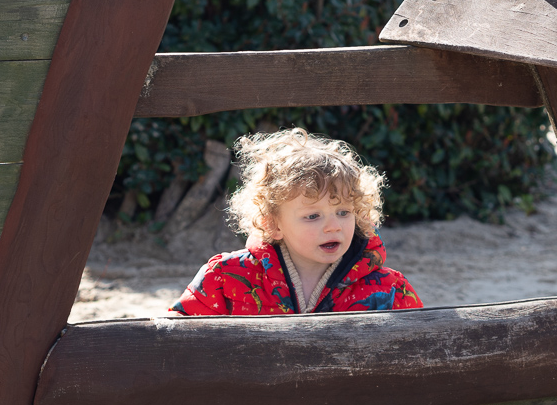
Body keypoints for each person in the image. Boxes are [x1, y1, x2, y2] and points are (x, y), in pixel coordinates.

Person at [170, 128, 421, 315]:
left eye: (344, 212)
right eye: (313, 216)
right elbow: (177, 345)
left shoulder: (389, 290)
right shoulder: (226, 279)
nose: (333, 226)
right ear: (272, 223)